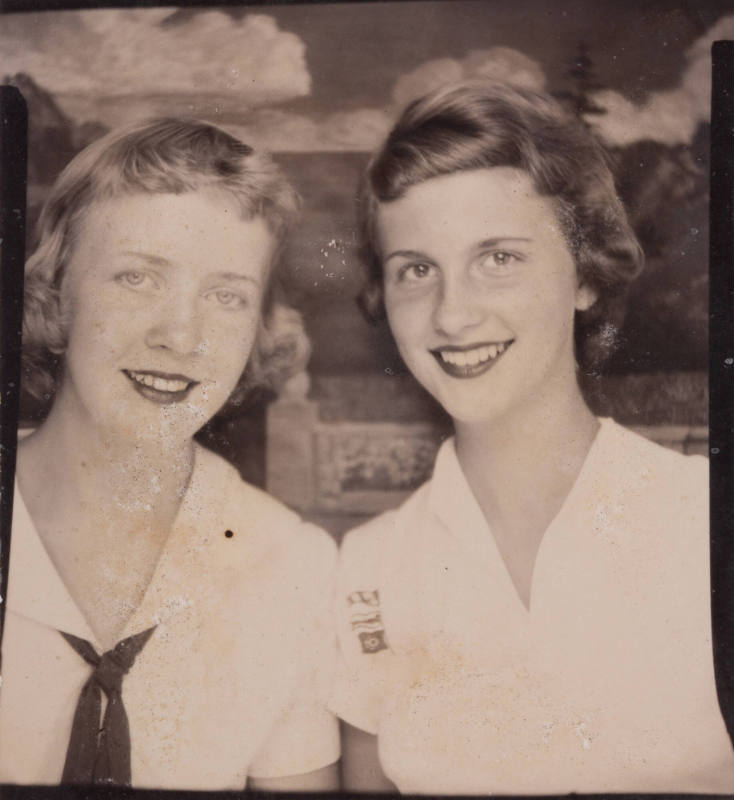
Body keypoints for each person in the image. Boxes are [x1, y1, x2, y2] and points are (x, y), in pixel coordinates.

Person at [330, 81, 734, 794]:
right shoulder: (366, 572)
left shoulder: (706, 519)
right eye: (417, 270)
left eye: (499, 258)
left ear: (584, 273)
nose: (452, 316)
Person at [0, 118, 340, 790]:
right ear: (55, 290)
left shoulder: (293, 565)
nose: (181, 336)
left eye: (226, 295)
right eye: (137, 279)